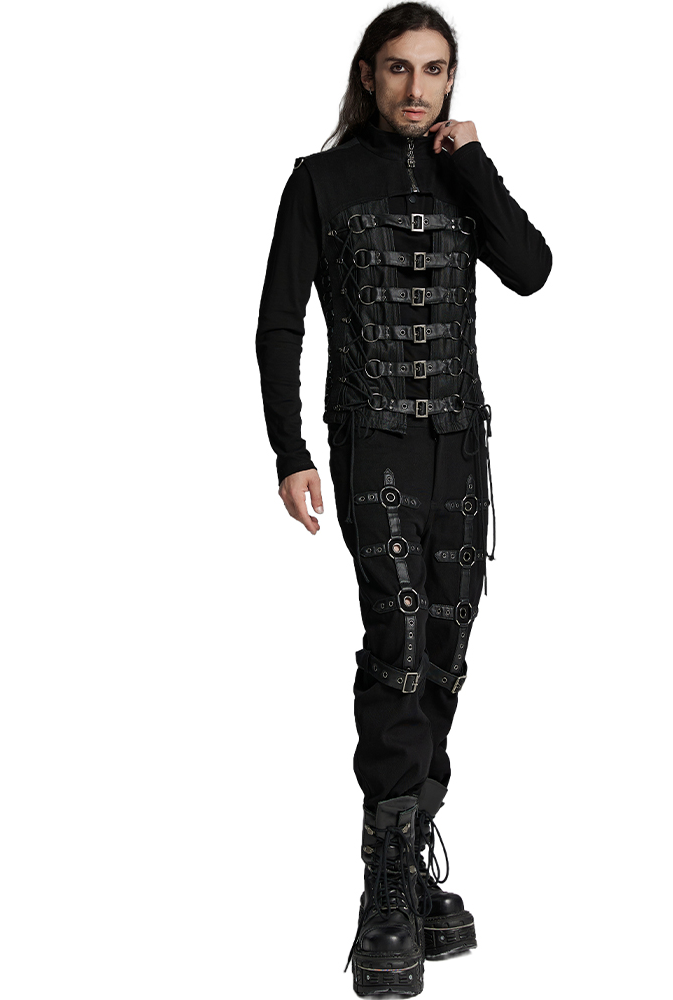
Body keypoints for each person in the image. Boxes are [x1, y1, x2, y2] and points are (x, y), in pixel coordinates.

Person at [255, 3, 552, 993]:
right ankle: (382, 892)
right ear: (368, 75)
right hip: (372, 439)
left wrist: (476, 162)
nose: (416, 88)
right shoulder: (320, 180)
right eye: (397, 68)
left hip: (460, 445)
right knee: (400, 636)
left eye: (433, 70)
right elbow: (279, 322)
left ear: (451, 79)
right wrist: (290, 450)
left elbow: (530, 270)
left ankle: (413, 858)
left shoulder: (463, 174)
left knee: (448, 653)